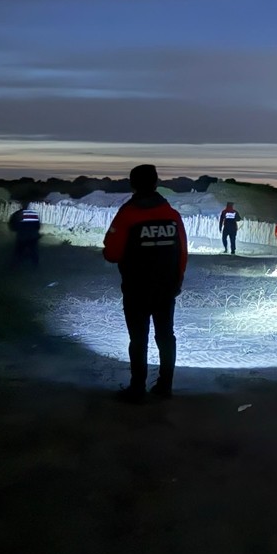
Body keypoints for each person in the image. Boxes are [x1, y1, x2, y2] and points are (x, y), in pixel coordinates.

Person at [103, 164, 187, 401]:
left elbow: (112, 253)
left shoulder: (127, 214)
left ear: (132, 184)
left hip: (136, 288)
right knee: (166, 337)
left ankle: (137, 388)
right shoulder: (172, 215)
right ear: (157, 183)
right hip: (166, 288)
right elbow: (182, 252)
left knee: (138, 339)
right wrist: (177, 280)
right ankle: (164, 386)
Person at [7, 199, 41, 267]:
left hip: (22, 237)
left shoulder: (18, 214)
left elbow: (12, 225)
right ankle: (35, 267)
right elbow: (38, 226)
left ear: (21, 205)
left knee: (18, 253)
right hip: (33, 237)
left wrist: (17, 230)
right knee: (33, 252)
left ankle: (14, 268)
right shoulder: (33, 214)